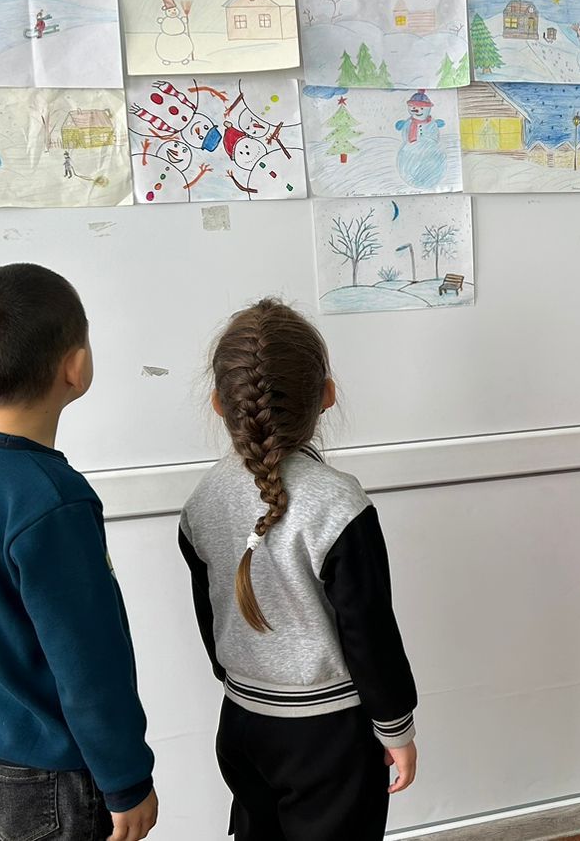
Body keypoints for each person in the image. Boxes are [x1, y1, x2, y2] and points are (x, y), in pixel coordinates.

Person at [0, 264, 158, 841]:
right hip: (51, 776)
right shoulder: (53, 501)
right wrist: (126, 778)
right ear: (74, 367)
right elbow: (88, 660)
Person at [179, 300, 419, 840]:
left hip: (241, 723)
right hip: (328, 737)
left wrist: (240, 679)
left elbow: (208, 614)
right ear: (327, 394)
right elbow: (369, 632)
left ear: (218, 403)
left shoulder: (203, 499)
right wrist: (396, 728)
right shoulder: (339, 504)